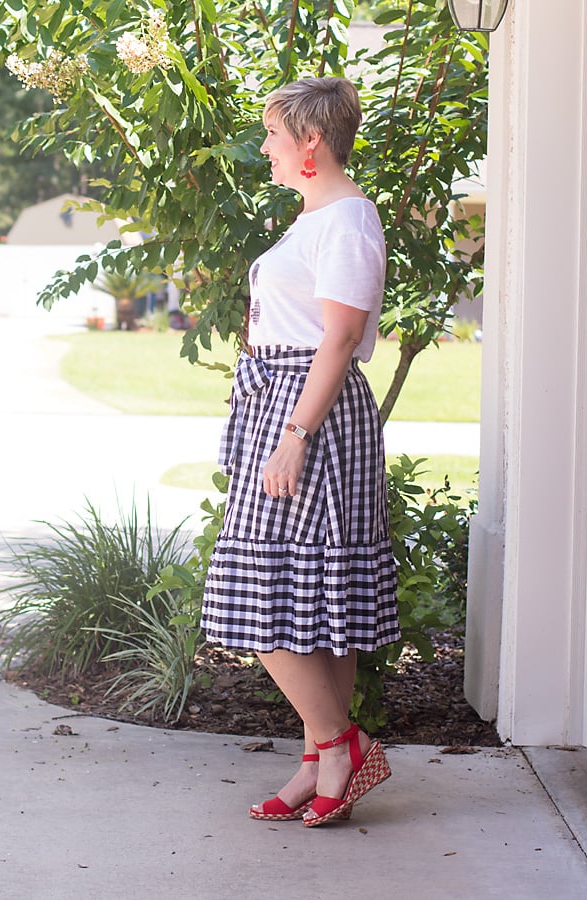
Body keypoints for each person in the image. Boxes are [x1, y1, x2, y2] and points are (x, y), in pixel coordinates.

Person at [200, 75, 400, 827]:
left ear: (310, 141)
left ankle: (342, 746)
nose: (265, 149)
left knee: (253, 596)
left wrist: (293, 437)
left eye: (273, 136)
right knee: (319, 601)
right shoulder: (316, 217)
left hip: (307, 416)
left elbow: (340, 341)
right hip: (283, 406)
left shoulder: (346, 221)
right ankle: (323, 764)